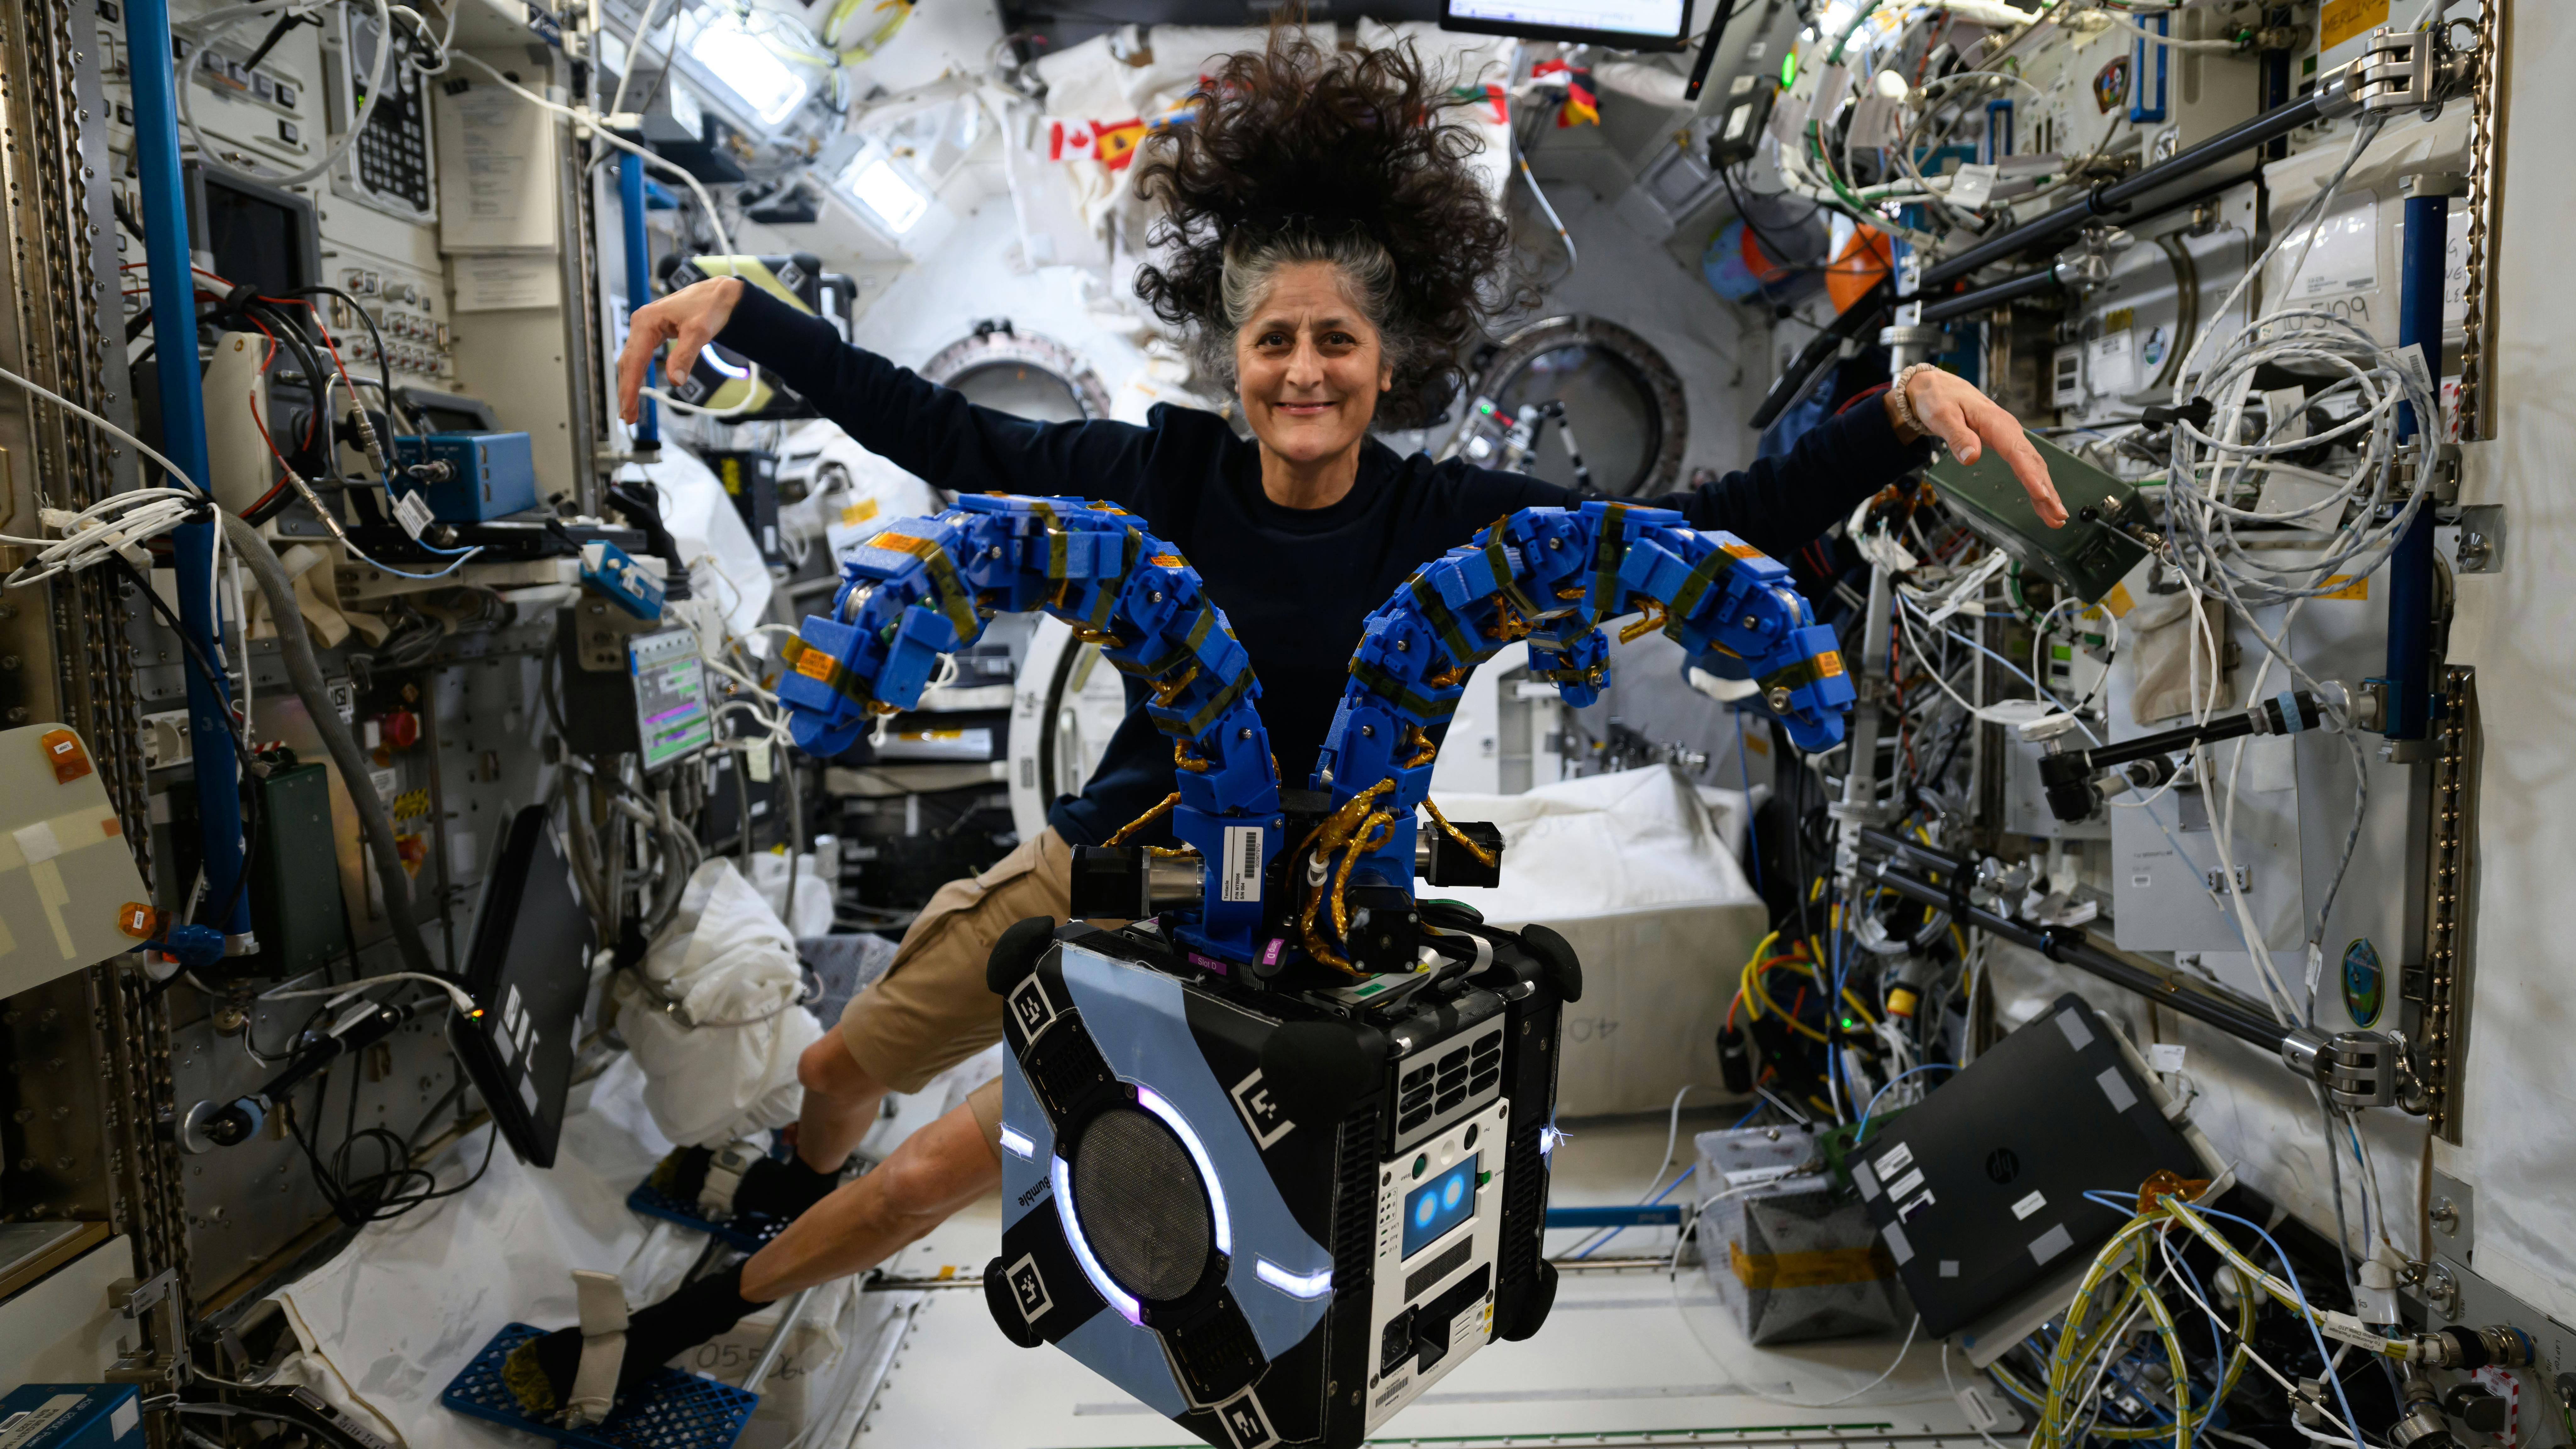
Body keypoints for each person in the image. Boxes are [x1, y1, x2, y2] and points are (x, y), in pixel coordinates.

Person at [501, 28, 2062, 1413]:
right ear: (1231, 354)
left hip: (1248, 941)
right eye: (1272, 341)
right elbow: (943, 428)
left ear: (1389, 360)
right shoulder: (1156, 479)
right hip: (1091, 868)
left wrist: (1893, 416)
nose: (1301, 371)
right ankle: (774, 1196)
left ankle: (671, 1334)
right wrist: (751, 313)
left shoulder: (1454, 520)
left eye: (1336, 341)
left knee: (925, 1174)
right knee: (843, 1073)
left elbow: (1699, 522)